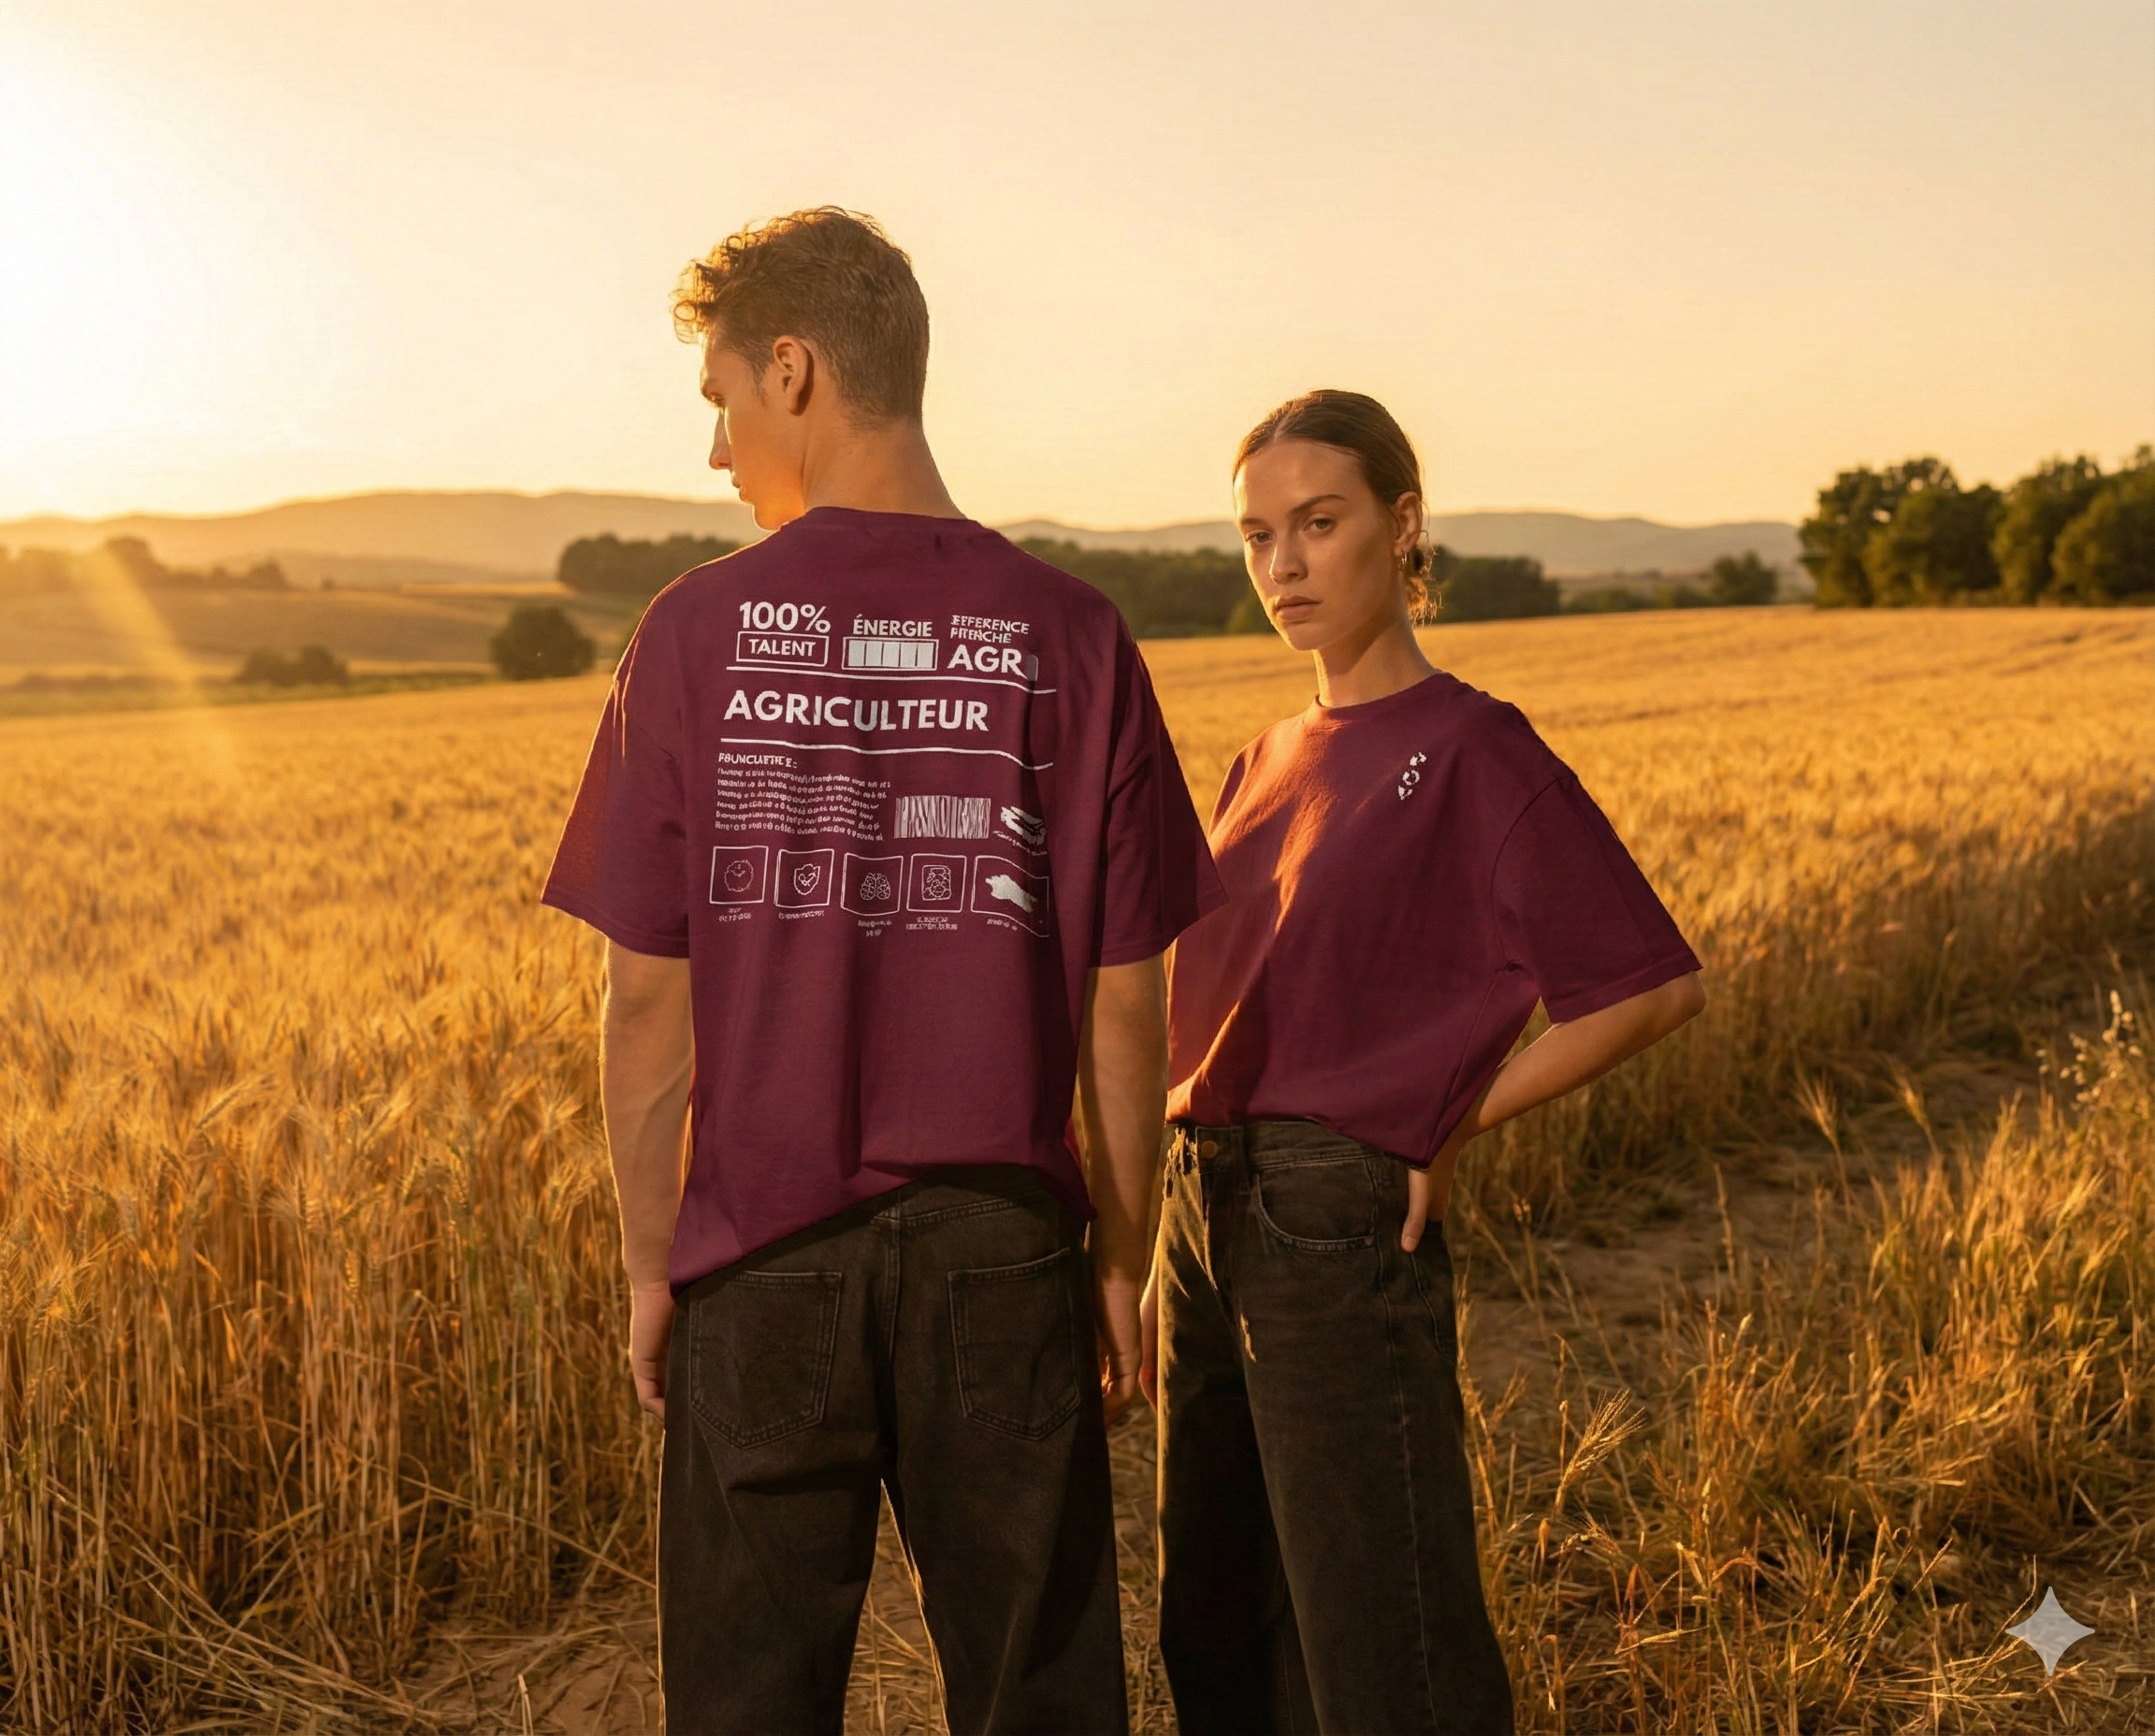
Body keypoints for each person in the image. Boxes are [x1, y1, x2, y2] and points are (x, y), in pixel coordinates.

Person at [542, 208, 1223, 1735]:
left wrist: (654, 1265)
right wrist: (1117, 1263)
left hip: (762, 1264)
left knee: (746, 1704)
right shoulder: (1076, 633)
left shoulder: (695, 633)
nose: (718, 454)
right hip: (1002, 1254)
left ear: (792, 371)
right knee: (1036, 1694)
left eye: (719, 401)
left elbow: (648, 1002)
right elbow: (1127, 1002)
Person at [1145, 389, 1706, 1736]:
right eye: (1256, 534)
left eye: (1318, 524)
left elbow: (1650, 987)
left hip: (1333, 1217)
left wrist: (1447, 1126)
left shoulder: (1473, 750)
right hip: (1194, 1212)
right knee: (1215, 1625)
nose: (1283, 564)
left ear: (1402, 527)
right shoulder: (1258, 761)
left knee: (1378, 1634)